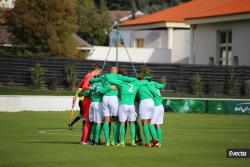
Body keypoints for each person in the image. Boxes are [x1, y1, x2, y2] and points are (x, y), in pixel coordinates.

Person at [90, 66, 135, 146]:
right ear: (116, 71)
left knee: (106, 120)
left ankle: (107, 141)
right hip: (114, 99)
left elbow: (92, 80)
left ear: (110, 71)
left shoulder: (104, 76)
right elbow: (131, 80)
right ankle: (114, 140)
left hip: (105, 98)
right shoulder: (118, 76)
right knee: (117, 119)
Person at [106, 74, 148, 146]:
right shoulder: (136, 83)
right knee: (132, 123)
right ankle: (133, 141)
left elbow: (109, 80)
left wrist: (108, 75)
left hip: (123, 105)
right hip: (131, 105)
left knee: (122, 123)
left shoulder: (121, 83)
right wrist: (146, 79)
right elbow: (146, 82)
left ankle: (122, 142)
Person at [78, 79, 116, 145]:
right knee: (99, 123)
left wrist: (80, 93)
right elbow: (104, 91)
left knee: (93, 123)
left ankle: (92, 139)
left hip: (92, 104)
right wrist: (110, 87)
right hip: (99, 104)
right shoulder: (102, 84)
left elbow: (85, 93)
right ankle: (96, 140)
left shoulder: (92, 84)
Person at [80, 64, 102, 145]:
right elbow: (85, 86)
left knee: (87, 121)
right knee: (88, 122)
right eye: (99, 72)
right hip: (88, 101)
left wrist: (81, 92)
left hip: (85, 100)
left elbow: (80, 85)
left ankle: (83, 140)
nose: (98, 75)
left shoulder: (87, 75)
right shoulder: (91, 77)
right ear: (96, 70)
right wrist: (93, 88)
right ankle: (85, 141)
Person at [137, 76, 159, 147]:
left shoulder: (137, 84)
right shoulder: (147, 84)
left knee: (144, 122)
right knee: (149, 121)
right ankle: (155, 138)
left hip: (144, 102)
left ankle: (147, 142)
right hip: (151, 102)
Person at [147, 80, 165, 147]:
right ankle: (158, 143)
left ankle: (155, 139)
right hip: (161, 106)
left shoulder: (149, 85)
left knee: (150, 123)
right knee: (157, 125)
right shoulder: (155, 84)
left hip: (156, 106)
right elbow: (163, 85)